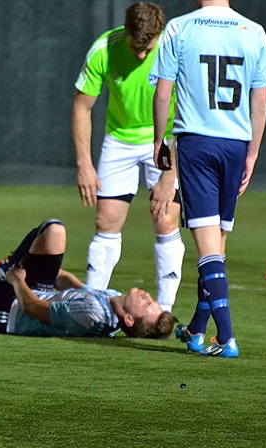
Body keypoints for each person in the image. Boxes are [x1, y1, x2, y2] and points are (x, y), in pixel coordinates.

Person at [150, 0, 266, 357]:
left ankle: (226, 338)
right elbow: (260, 100)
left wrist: (159, 142)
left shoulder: (180, 27)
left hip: (198, 144)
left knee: (208, 247)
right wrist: (252, 153)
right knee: (216, 246)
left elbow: (163, 92)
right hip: (235, 145)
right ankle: (196, 329)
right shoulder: (254, 32)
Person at [72, 2, 185, 313]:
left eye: (148, 48)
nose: (142, 55)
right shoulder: (104, 49)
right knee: (105, 220)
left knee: (165, 218)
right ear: (126, 33)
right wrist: (84, 164)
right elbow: (82, 106)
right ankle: (92, 305)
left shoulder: (174, 48)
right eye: (136, 47)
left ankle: (163, 311)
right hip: (119, 140)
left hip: (166, 139)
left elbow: (187, 111)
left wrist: (169, 174)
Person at [0, 219, 177, 340]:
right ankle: (3, 268)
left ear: (129, 320)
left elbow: (34, 309)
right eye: (151, 300)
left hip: (6, 309)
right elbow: (74, 287)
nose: (146, 297)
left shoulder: (92, 315)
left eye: (147, 305)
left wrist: (16, 280)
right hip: (31, 287)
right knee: (55, 230)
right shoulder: (113, 299)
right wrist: (33, 267)